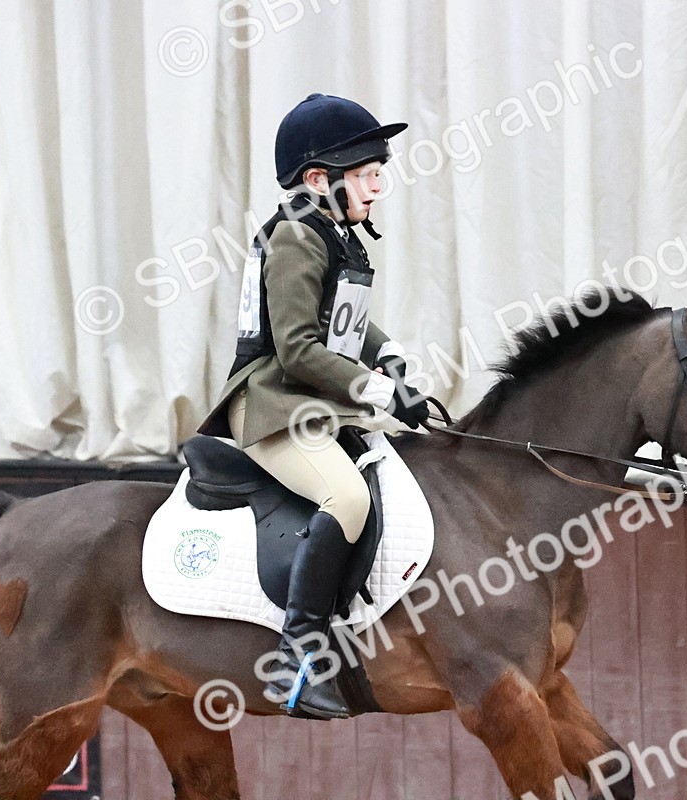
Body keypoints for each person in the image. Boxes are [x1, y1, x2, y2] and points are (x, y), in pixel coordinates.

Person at [198, 93, 429, 720]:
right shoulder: (299, 237)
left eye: (380, 173)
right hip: (273, 403)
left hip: (312, 401)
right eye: (367, 175)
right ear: (318, 180)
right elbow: (298, 349)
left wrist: (393, 357)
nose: (379, 188)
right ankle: (299, 650)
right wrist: (380, 391)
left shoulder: (329, 233)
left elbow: (343, 324)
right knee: (347, 497)